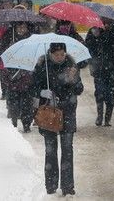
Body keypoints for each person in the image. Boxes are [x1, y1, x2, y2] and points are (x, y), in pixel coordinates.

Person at [33, 43, 84, 196]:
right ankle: (51, 185)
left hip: (67, 112)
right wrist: (42, 92)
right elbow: (32, 86)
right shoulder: (43, 66)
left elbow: (80, 90)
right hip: (49, 113)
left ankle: (67, 186)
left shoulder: (71, 65)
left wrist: (73, 80)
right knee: (51, 150)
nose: (60, 57)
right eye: (56, 55)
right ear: (50, 53)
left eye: (62, 54)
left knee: (67, 149)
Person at [85, 17, 114, 126]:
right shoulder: (94, 30)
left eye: (108, 22)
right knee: (99, 92)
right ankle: (99, 116)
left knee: (110, 94)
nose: (106, 24)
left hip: (113, 69)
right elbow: (88, 48)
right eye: (104, 22)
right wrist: (97, 37)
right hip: (98, 68)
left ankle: (107, 118)